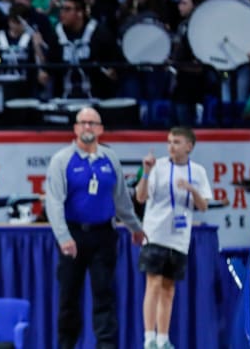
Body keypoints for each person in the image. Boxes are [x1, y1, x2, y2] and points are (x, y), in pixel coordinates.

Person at [45, 107, 146, 349]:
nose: (87, 127)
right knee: (69, 298)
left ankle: (106, 347)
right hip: (74, 234)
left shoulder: (110, 159)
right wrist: (63, 237)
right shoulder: (62, 160)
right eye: (83, 123)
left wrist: (135, 227)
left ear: (100, 129)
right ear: (75, 128)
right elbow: (54, 202)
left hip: (104, 235)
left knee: (104, 296)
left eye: (92, 123)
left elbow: (121, 199)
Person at [135, 127, 213, 349]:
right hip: (155, 233)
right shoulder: (157, 166)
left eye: (177, 142)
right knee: (154, 284)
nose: (171, 146)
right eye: (169, 142)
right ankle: (149, 337)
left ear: (189, 146)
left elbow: (204, 206)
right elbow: (141, 197)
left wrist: (192, 190)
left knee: (169, 288)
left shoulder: (197, 172)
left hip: (179, 238)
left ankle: (163, 339)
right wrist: (146, 172)